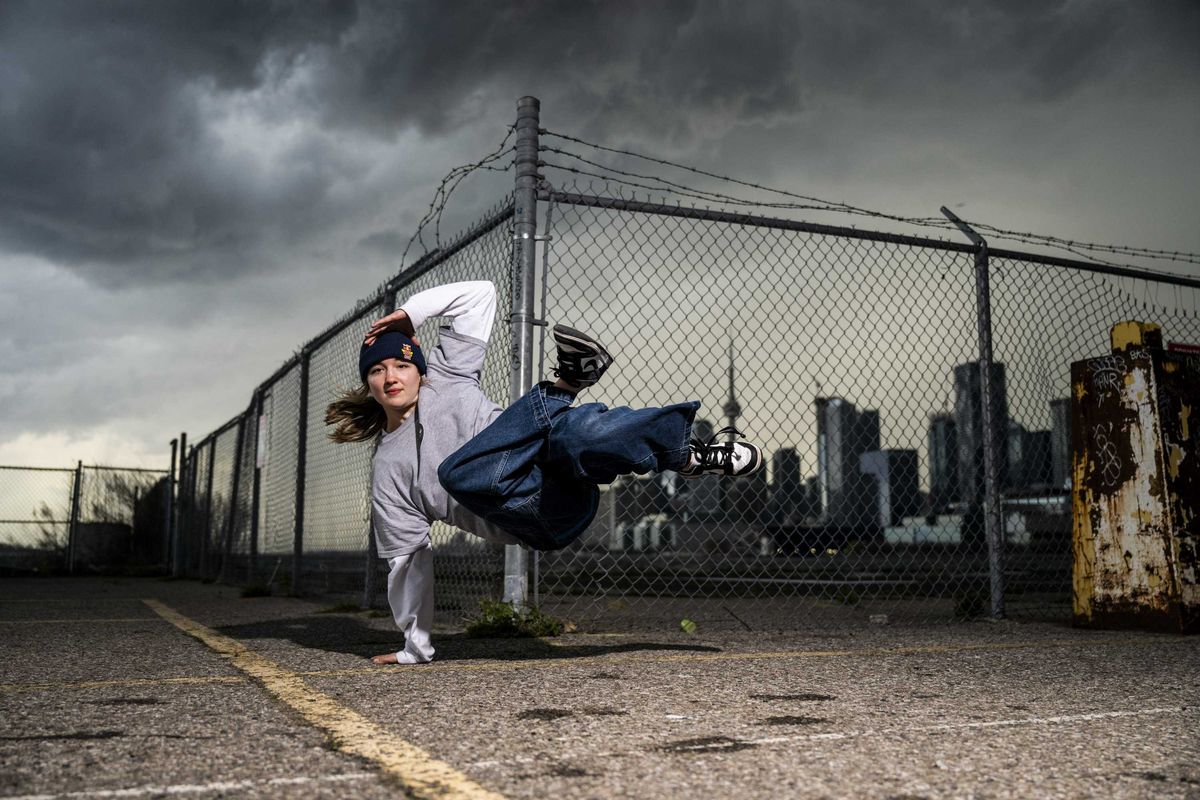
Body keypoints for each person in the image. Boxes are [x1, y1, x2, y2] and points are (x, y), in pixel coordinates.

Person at [325, 280, 763, 665]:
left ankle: (687, 456)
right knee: (459, 473)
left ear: (420, 370)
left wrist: (410, 313)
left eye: (402, 365)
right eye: (378, 371)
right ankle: (564, 387)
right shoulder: (388, 467)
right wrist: (414, 646)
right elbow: (407, 561)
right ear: (369, 385)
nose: (392, 377)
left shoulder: (449, 374)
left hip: (560, 474)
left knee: (575, 430)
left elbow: (479, 294)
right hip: (539, 512)